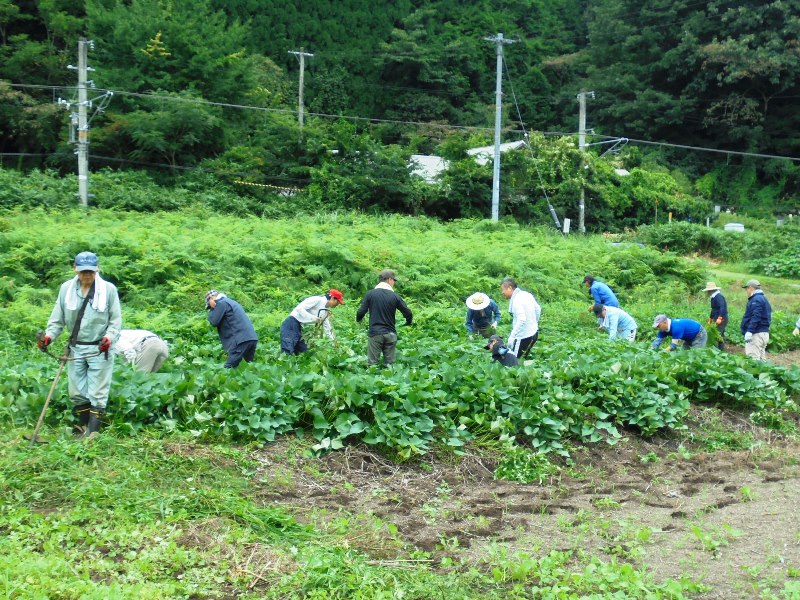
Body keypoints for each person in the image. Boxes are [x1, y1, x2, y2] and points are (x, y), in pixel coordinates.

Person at [38, 251, 122, 437]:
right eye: (83, 271)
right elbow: (57, 319)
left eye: (90, 271)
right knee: (76, 391)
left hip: (99, 349)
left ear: (97, 269)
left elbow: (115, 322)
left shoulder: (108, 290)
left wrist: (109, 338)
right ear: (75, 269)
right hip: (75, 348)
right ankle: (83, 428)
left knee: (98, 392)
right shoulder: (66, 289)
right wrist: (49, 337)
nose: (87, 275)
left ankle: (93, 433)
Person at [356, 270, 413, 366]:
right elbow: (408, 312)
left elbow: (361, 311)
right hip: (390, 333)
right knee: (390, 366)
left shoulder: (370, 294)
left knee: (372, 365)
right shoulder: (395, 296)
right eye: (394, 280)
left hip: (375, 334)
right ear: (390, 280)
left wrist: (358, 319)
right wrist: (408, 321)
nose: (394, 283)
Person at [280, 289, 345, 354]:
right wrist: (312, 318)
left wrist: (334, 343)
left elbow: (327, 328)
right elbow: (299, 309)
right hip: (291, 323)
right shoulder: (317, 300)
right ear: (333, 298)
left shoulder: (325, 311)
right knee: (287, 350)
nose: (337, 305)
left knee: (304, 352)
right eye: (337, 302)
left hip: (300, 328)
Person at [206, 290, 258, 368]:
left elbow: (214, 321)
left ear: (211, 298)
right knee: (246, 368)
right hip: (251, 338)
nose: (211, 307)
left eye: (209, 306)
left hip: (240, 340)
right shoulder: (231, 302)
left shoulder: (221, 303)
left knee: (228, 369)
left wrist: (212, 309)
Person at [500, 277, 541, 358]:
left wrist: (512, 336)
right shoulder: (526, 294)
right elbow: (538, 309)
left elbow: (521, 319)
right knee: (523, 359)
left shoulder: (516, 300)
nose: (502, 292)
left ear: (509, 288)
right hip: (534, 334)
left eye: (503, 289)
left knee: (514, 362)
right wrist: (534, 323)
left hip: (523, 337)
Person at [740, 279, 772, 361]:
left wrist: (750, 331)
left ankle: (754, 374)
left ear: (751, 288)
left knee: (753, 360)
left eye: (747, 289)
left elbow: (756, 316)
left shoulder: (756, 299)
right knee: (761, 360)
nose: (746, 291)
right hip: (764, 333)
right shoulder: (763, 299)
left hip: (756, 334)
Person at [703, 281, 728, 350]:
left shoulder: (718, 296)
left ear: (711, 290)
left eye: (708, 290)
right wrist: (710, 319)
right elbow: (713, 309)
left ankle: (716, 350)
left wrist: (720, 318)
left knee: (716, 334)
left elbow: (722, 307)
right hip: (716, 317)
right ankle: (721, 350)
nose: (707, 292)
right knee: (720, 335)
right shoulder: (713, 297)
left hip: (722, 318)